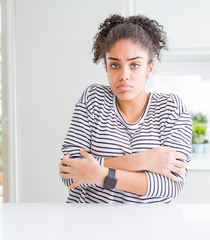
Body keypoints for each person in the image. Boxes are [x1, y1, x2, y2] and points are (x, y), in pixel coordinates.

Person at [58, 14, 192, 203]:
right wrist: (144, 160)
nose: (124, 75)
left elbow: (170, 186)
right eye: (114, 65)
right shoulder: (93, 100)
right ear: (106, 68)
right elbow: (70, 172)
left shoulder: (171, 108)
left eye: (135, 65)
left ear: (149, 68)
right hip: (89, 225)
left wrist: (97, 173)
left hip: (151, 227)